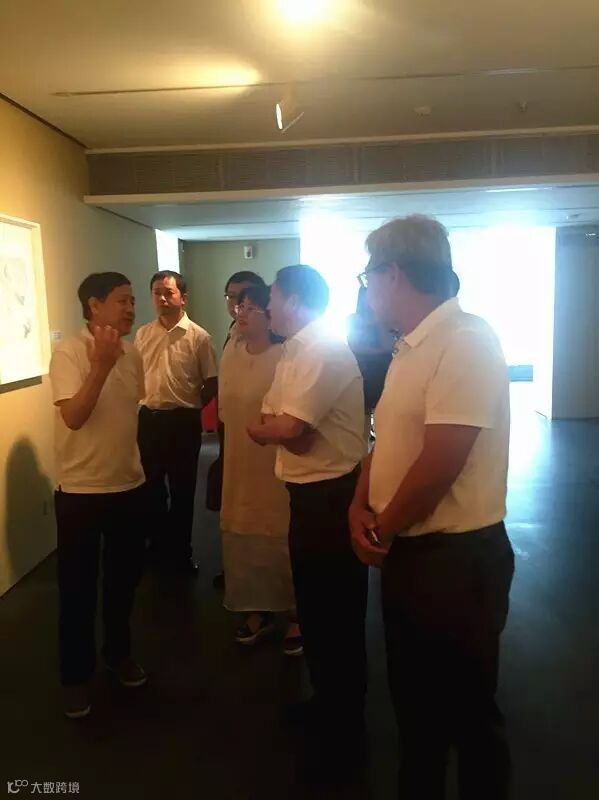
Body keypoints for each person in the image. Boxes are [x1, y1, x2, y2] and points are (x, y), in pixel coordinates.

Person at [349, 215, 514, 800]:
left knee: (468, 715)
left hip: (455, 560)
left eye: (368, 276)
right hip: (414, 552)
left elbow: (441, 461)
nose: (367, 289)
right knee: (416, 711)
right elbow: (390, 441)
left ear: (393, 274)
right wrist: (359, 502)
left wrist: (383, 529)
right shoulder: (411, 347)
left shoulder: (465, 340)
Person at [247, 265, 368, 779]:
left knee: (336, 613)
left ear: (294, 300)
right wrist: (277, 428)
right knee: (317, 610)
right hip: (308, 497)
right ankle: (327, 704)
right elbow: (270, 419)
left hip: (332, 499)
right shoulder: (296, 350)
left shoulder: (320, 349)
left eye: (272, 297)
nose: (266, 307)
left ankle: (346, 725)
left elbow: (288, 427)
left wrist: (275, 429)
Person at [50, 272, 148, 720]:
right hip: (81, 490)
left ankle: (118, 654)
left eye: (132, 301)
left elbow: (129, 412)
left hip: (128, 484)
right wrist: (101, 365)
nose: (131, 308)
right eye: (122, 300)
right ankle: (75, 676)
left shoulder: (133, 352)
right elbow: (73, 416)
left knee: (124, 582)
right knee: (77, 589)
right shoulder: (70, 352)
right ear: (94, 305)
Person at [218, 284, 302, 655]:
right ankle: (257, 608)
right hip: (239, 458)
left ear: (270, 316)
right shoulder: (231, 352)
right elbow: (224, 410)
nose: (242, 312)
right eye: (241, 306)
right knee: (243, 528)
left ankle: (296, 611)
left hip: (274, 460)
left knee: (278, 530)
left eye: (253, 307)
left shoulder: (285, 355)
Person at [135, 270, 217, 576]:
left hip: (183, 422)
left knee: (183, 490)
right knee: (151, 490)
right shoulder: (143, 334)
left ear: (183, 298)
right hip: (149, 420)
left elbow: (211, 381)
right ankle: (158, 548)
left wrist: (191, 405)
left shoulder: (199, 337)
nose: (162, 298)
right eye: (157, 292)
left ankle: (181, 552)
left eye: (168, 293)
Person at [210, 270, 267, 588]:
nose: (238, 306)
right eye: (233, 298)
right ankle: (240, 571)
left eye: (247, 300)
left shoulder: (281, 346)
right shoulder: (231, 337)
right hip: (232, 434)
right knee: (236, 501)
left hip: (265, 441)